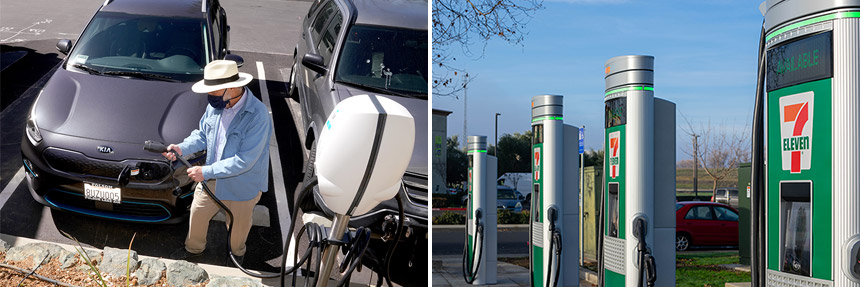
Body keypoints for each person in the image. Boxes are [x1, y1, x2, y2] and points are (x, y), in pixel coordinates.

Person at [163, 60, 272, 266]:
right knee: (197, 213)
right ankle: (193, 251)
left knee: (238, 229)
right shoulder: (216, 105)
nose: (209, 96)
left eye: (213, 91)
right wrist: (182, 148)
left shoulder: (258, 116)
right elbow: (202, 135)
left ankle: (236, 256)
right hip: (211, 178)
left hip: (242, 185)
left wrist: (206, 171)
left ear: (231, 88)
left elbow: (244, 160)